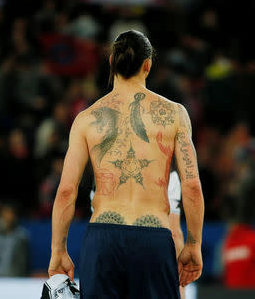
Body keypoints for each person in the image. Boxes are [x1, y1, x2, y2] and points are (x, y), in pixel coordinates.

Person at [48, 30, 204, 298]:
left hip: (102, 239)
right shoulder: (175, 114)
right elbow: (191, 187)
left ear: (111, 62)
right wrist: (193, 243)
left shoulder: (86, 119)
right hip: (153, 236)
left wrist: (58, 250)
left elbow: (66, 191)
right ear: (148, 64)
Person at [89, 164, 187, 298]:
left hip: (105, 252)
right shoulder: (166, 173)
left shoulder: (102, 171)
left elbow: (67, 191)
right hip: (150, 254)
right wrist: (179, 285)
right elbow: (174, 233)